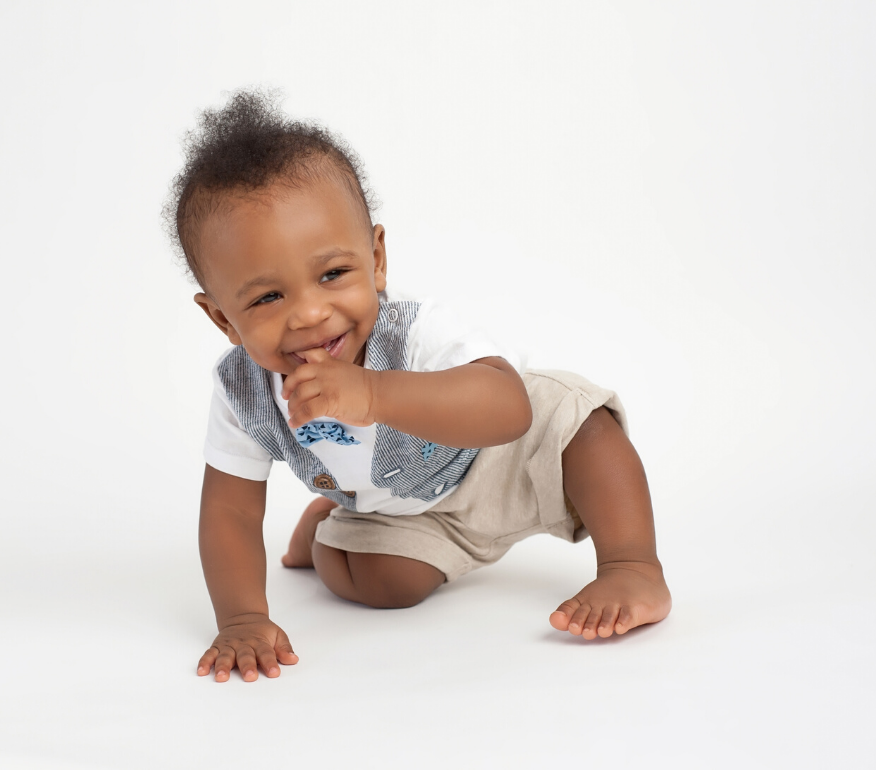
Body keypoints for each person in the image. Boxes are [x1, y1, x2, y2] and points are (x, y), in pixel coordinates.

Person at [165, 89, 672, 683]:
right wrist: (243, 618)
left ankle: (632, 564)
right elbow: (228, 511)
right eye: (268, 297)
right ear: (223, 318)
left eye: (333, 274)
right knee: (380, 585)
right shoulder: (242, 394)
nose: (309, 314)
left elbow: (507, 409)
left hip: (503, 456)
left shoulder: (418, 331)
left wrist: (372, 393)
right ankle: (332, 527)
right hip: (409, 512)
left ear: (376, 260)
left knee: (584, 427)